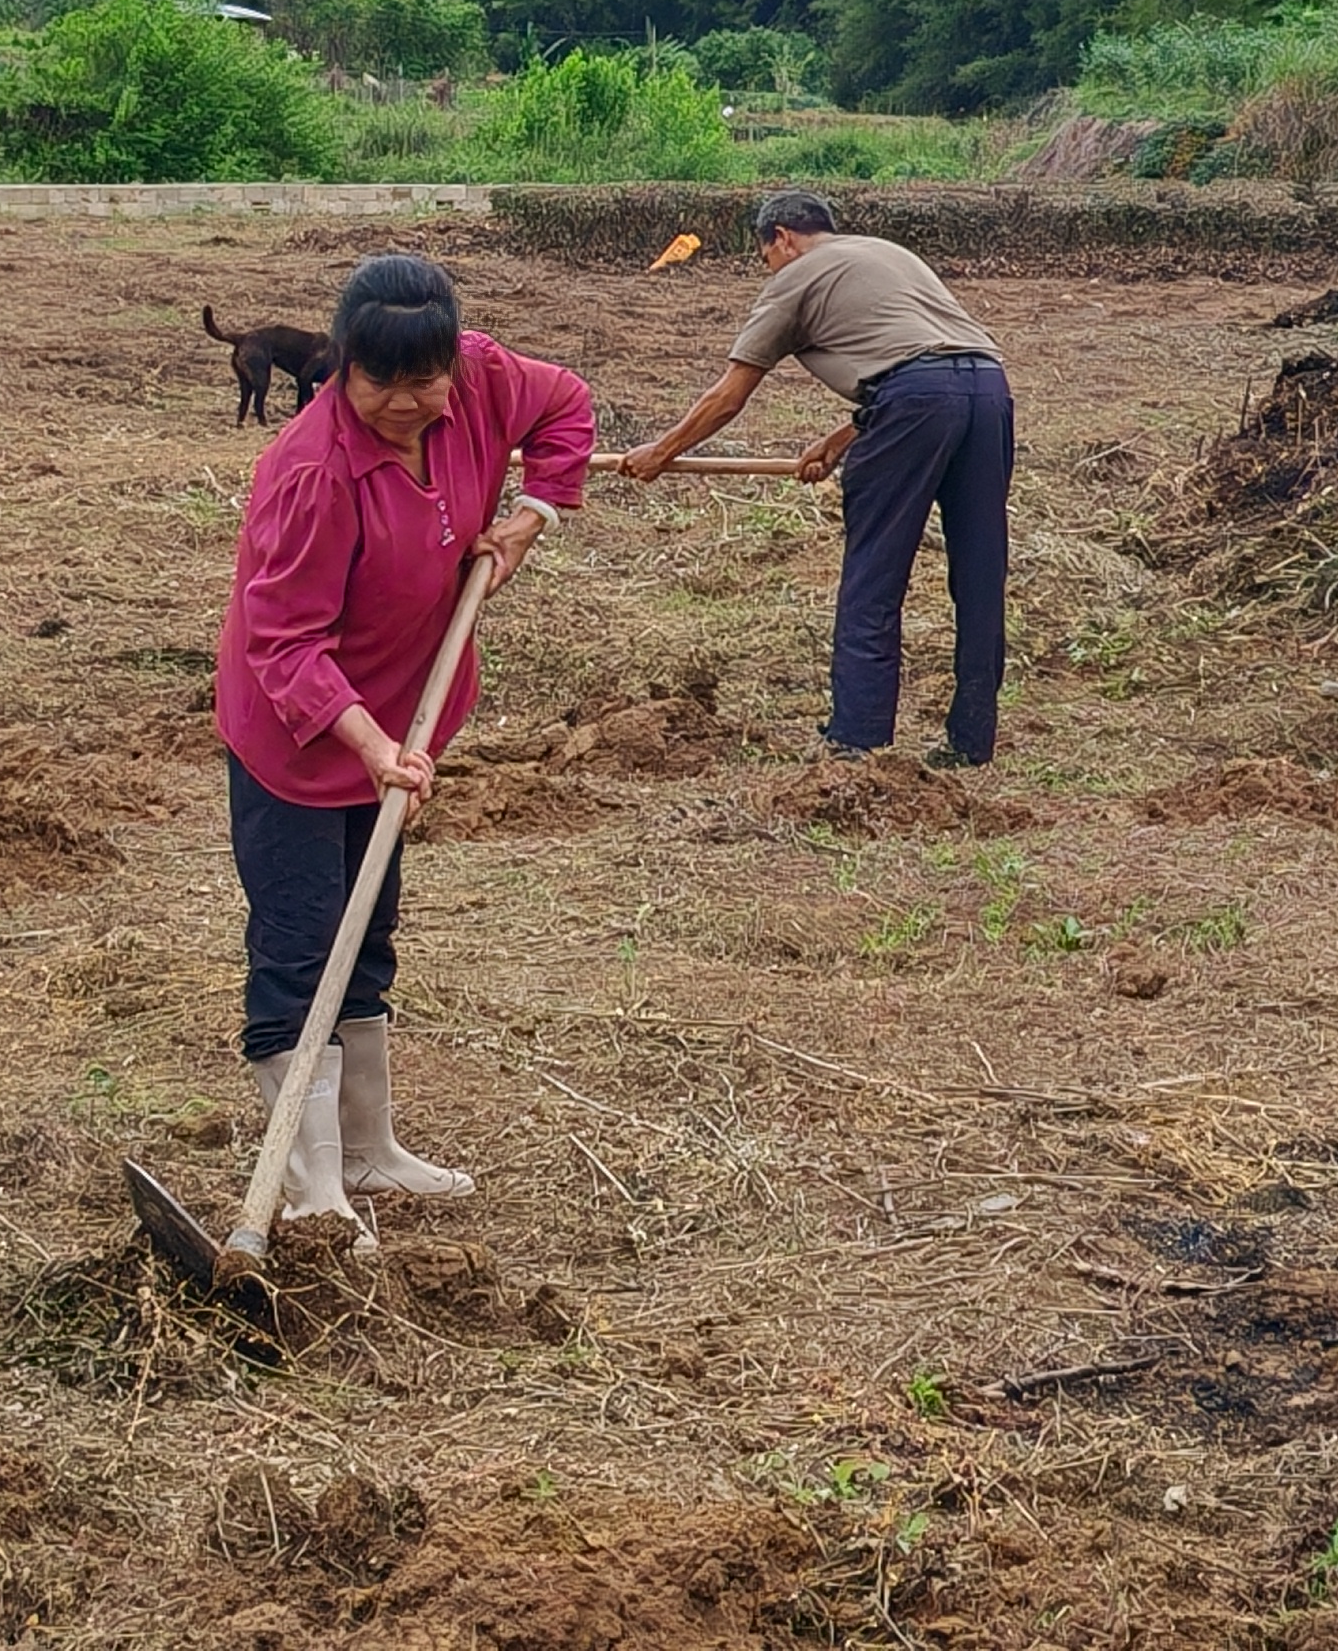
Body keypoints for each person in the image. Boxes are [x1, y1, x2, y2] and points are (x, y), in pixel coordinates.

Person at [219, 253, 590, 1243]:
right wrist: (370, 745)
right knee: (301, 946)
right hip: (302, 736)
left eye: (424, 382)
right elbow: (282, 642)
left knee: (368, 930)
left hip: (403, 711)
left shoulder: (482, 380)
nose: (405, 404)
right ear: (341, 365)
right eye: (380, 383)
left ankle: (369, 1150)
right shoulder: (312, 471)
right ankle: (312, 1185)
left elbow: (566, 408)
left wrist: (530, 518)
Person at [616, 191, 1015, 769]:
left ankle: (856, 740)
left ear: (782, 237)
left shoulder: (795, 276)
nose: (769, 269)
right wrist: (843, 438)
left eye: (766, 257)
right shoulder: (888, 254)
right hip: (988, 389)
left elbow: (729, 396)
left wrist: (662, 451)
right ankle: (972, 740)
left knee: (874, 574)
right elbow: (933, 361)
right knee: (981, 571)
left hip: (914, 402)